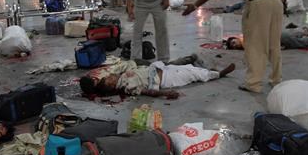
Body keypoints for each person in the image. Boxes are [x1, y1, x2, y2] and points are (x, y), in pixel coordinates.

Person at [79, 55, 235, 99]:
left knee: (187, 68)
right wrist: (165, 93)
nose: (109, 76)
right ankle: (217, 74)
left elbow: (130, 65)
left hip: (160, 69)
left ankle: (208, 71)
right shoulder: (127, 87)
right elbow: (147, 92)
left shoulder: (121, 76)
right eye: (108, 79)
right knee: (192, 74)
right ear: (111, 85)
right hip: (165, 79)